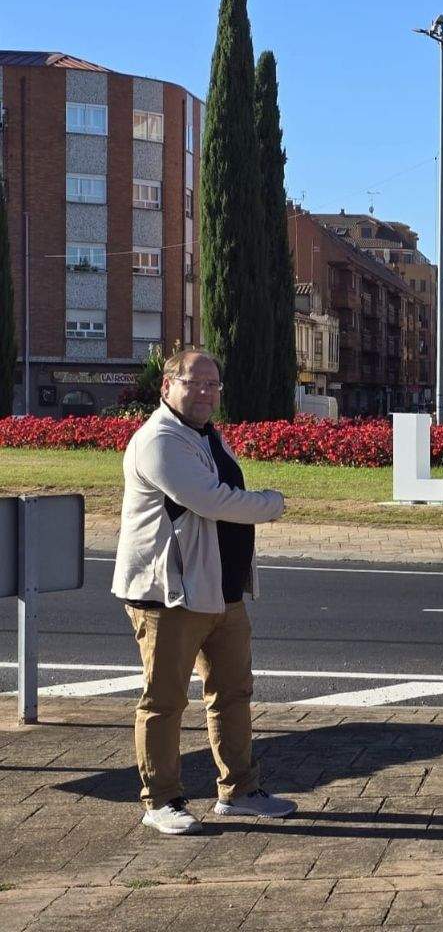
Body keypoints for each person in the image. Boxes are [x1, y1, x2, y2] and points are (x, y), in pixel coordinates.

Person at [112, 349, 293, 835]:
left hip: (220, 592)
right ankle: (161, 801)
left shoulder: (207, 436)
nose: (206, 393)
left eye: (213, 384)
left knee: (233, 693)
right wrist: (269, 504)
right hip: (170, 595)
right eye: (195, 383)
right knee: (164, 702)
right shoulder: (158, 440)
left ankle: (240, 792)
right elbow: (209, 501)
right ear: (167, 386)